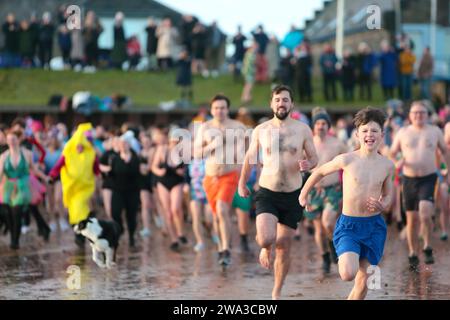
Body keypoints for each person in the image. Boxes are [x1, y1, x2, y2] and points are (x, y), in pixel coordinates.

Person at [299, 107, 394, 300]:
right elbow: (319, 172)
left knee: (364, 282)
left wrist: (383, 205)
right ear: (357, 134)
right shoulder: (347, 159)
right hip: (349, 225)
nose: (369, 135)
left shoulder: (387, 165)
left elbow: (389, 194)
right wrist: (303, 194)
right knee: (348, 274)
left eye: (374, 131)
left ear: (382, 134)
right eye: (365, 131)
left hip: (374, 226)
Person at [238, 85, 318, 299]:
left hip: (292, 194)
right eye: (277, 100)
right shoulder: (261, 130)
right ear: (271, 104)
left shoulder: (302, 129)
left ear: (291, 104)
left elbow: (315, 158)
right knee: (266, 238)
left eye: (285, 100)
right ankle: (265, 246)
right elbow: (249, 159)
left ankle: (276, 292)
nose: (281, 103)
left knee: (283, 245)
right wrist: (241, 183)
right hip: (268, 192)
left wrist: (308, 163)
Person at [390, 101, 450, 267]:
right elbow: (392, 153)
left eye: (422, 113)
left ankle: (427, 246)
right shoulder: (403, 132)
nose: (419, 115)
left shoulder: (434, 131)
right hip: (409, 179)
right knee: (412, 218)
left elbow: (444, 151)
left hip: (428, 177)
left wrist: (447, 171)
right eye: (415, 113)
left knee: (425, 213)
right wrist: (397, 161)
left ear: (427, 115)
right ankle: (412, 251)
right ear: (410, 115)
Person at [194, 94, 247, 266]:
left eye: (223, 107)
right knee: (216, 215)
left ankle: (226, 249)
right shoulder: (205, 127)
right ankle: (221, 246)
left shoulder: (238, 127)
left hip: (229, 175)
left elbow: (247, 151)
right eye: (216, 108)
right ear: (211, 110)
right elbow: (196, 153)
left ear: (228, 109)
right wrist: (212, 145)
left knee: (222, 209)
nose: (220, 111)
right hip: (210, 177)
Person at [303, 110, 347, 273]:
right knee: (319, 229)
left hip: (332, 188)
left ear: (328, 126)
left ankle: (332, 244)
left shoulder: (337, 144)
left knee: (328, 222)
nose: (321, 126)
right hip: (314, 190)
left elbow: (348, 165)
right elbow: (299, 165)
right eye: (318, 123)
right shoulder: (307, 144)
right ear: (313, 126)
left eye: (324, 123)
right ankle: (325, 256)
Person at [49, 123, 100, 247]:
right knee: (75, 211)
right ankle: (80, 231)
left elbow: (96, 169)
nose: (79, 148)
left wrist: (98, 180)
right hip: (71, 189)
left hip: (84, 189)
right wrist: (51, 176)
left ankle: (80, 235)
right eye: (77, 145)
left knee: (80, 208)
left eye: (81, 145)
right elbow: (58, 166)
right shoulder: (68, 154)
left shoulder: (91, 155)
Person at [0, 129, 50, 249]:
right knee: (9, 214)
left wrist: (45, 177)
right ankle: (13, 235)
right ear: (6, 141)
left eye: (14, 139)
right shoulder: (3, 156)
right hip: (8, 187)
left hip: (23, 185)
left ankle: (15, 240)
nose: (12, 141)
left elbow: (33, 169)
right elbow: (0, 173)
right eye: (9, 139)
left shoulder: (27, 153)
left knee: (17, 211)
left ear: (18, 140)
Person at [100, 133, 140, 247]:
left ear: (128, 145)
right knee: (115, 212)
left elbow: (137, 172)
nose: (123, 146)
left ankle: (132, 235)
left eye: (125, 144)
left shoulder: (134, 157)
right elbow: (109, 171)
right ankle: (120, 228)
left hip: (132, 190)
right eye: (121, 144)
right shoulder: (115, 158)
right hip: (118, 190)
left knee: (131, 215)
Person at [152, 129, 187, 251]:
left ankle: (180, 232)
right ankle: (174, 239)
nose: (175, 142)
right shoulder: (162, 150)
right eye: (173, 140)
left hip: (177, 182)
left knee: (176, 208)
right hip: (163, 182)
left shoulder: (183, 151)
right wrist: (159, 171)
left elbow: (186, 170)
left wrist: (181, 172)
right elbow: (154, 166)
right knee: (168, 212)